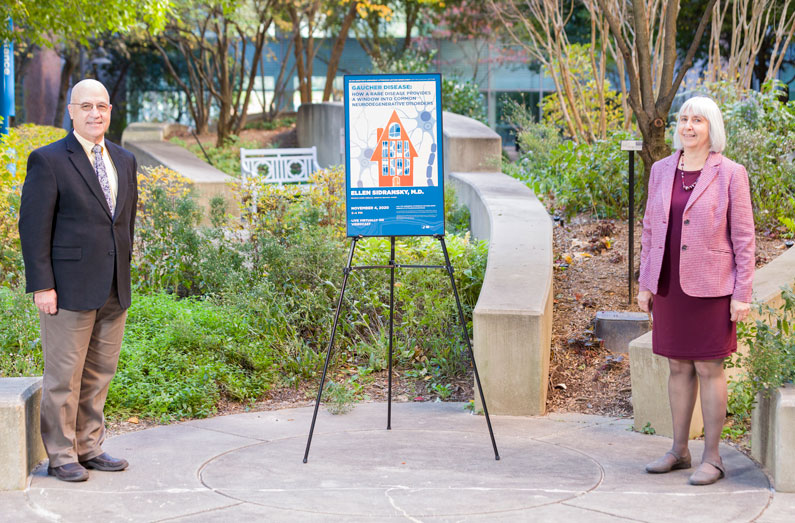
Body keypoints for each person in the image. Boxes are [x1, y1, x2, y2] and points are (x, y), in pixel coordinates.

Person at [19, 79, 138, 482]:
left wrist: (124, 271)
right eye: (85, 106)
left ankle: (89, 446)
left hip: (113, 286)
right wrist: (42, 285)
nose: (95, 113)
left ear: (109, 111)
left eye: (101, 106)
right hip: (67, 288)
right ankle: (61, 453)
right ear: (70, 111)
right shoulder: (49, 160)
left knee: (100, 373)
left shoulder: (124, 160)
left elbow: (124, 224)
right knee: (63, 378)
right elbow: (33, 228)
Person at [637, 96, 755, 486]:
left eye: (697, 121)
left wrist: (743, 293)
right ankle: (679, 450)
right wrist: (645, 283)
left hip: (711, 287)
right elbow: (651, 229)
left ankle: (714, 457)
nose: (688, 126)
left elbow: (744, 237)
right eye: (684, 119)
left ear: (712, 128)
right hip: (669, 283)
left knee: (708, 366)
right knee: (676, 365)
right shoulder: (661, 170)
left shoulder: (730, 173)